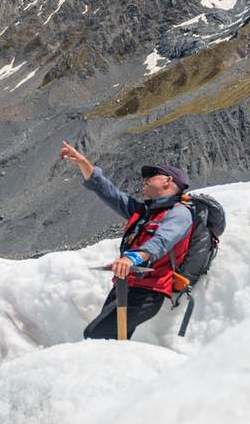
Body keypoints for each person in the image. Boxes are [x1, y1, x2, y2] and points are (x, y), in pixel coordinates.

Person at [58, 141, 193, 340]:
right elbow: (109, 192)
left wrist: (131, 258)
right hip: (124, 287)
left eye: (152, 175)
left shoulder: (180, 214)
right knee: (115, 342)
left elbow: (161, 241)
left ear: (168, 181)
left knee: (95, 334)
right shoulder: (145, 212)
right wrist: (83, 163)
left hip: (148, 292)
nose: (145, 179)